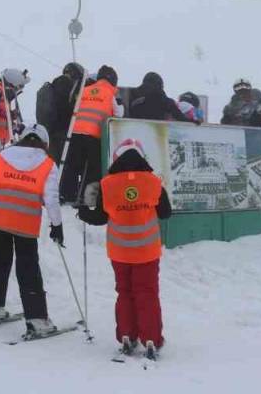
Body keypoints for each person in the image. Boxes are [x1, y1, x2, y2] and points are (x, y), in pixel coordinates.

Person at [77, 138, 173, 359]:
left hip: (120, 252)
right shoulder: (154, 182)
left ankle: (127, 335)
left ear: (117, 158)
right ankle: (151, 338)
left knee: (125, 292)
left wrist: (83, 213)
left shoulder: (107, 184)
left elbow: (100, 218)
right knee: (147, 293)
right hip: (147, 252)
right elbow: (166, 213)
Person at [0, 124, 63, 335]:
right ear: (44, 143)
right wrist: (57, 225)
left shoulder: (3, 155)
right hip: (25, 221)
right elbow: (51, 198)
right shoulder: (48, 164)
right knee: (28, 267)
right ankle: (37, 319)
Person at [58, 65, 120, 204]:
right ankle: (86, 197)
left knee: (72, 165)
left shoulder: (84, 90)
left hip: (75, 133)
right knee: (93, 168)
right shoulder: (110, 95)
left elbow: (74, 108)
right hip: (94, 135)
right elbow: (118, 115)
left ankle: (66, 194)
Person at [38, 63, 84, 162]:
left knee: (52, 164)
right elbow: (65, 107)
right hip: (62, 133)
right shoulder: (66, 84)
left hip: (50, 132)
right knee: (64, 167)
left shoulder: (53, 85)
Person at [127, 72, 194, 123]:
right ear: (160, 86)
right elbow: (179, 117)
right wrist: (192, 122)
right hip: (158, 135)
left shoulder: (134, 97)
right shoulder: (164, 100)